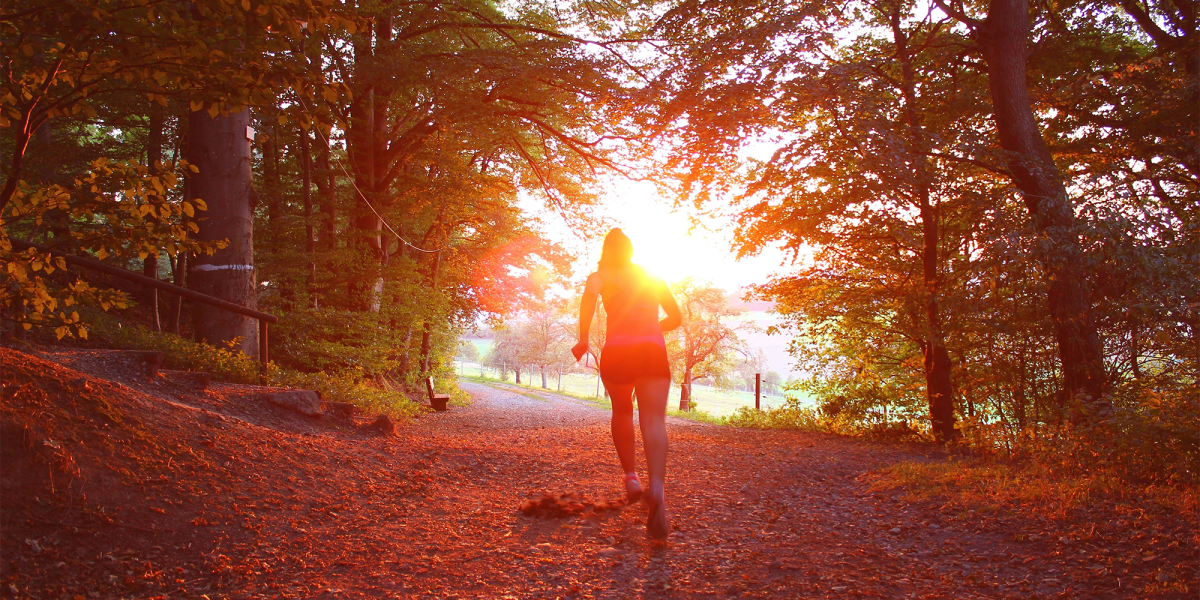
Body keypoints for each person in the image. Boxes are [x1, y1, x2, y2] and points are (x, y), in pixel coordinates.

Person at [572, 228, 681, 539]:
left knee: (622, 410)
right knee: (653, 419)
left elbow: (588, 303)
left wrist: (582, 339)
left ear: (607, 251)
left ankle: (632, 479)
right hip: (651, 350)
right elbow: (675, 317)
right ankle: (657, 489)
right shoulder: (651, 276)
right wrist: (650, 328)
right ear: (631, 251)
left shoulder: (600, 276)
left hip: (617, 351)